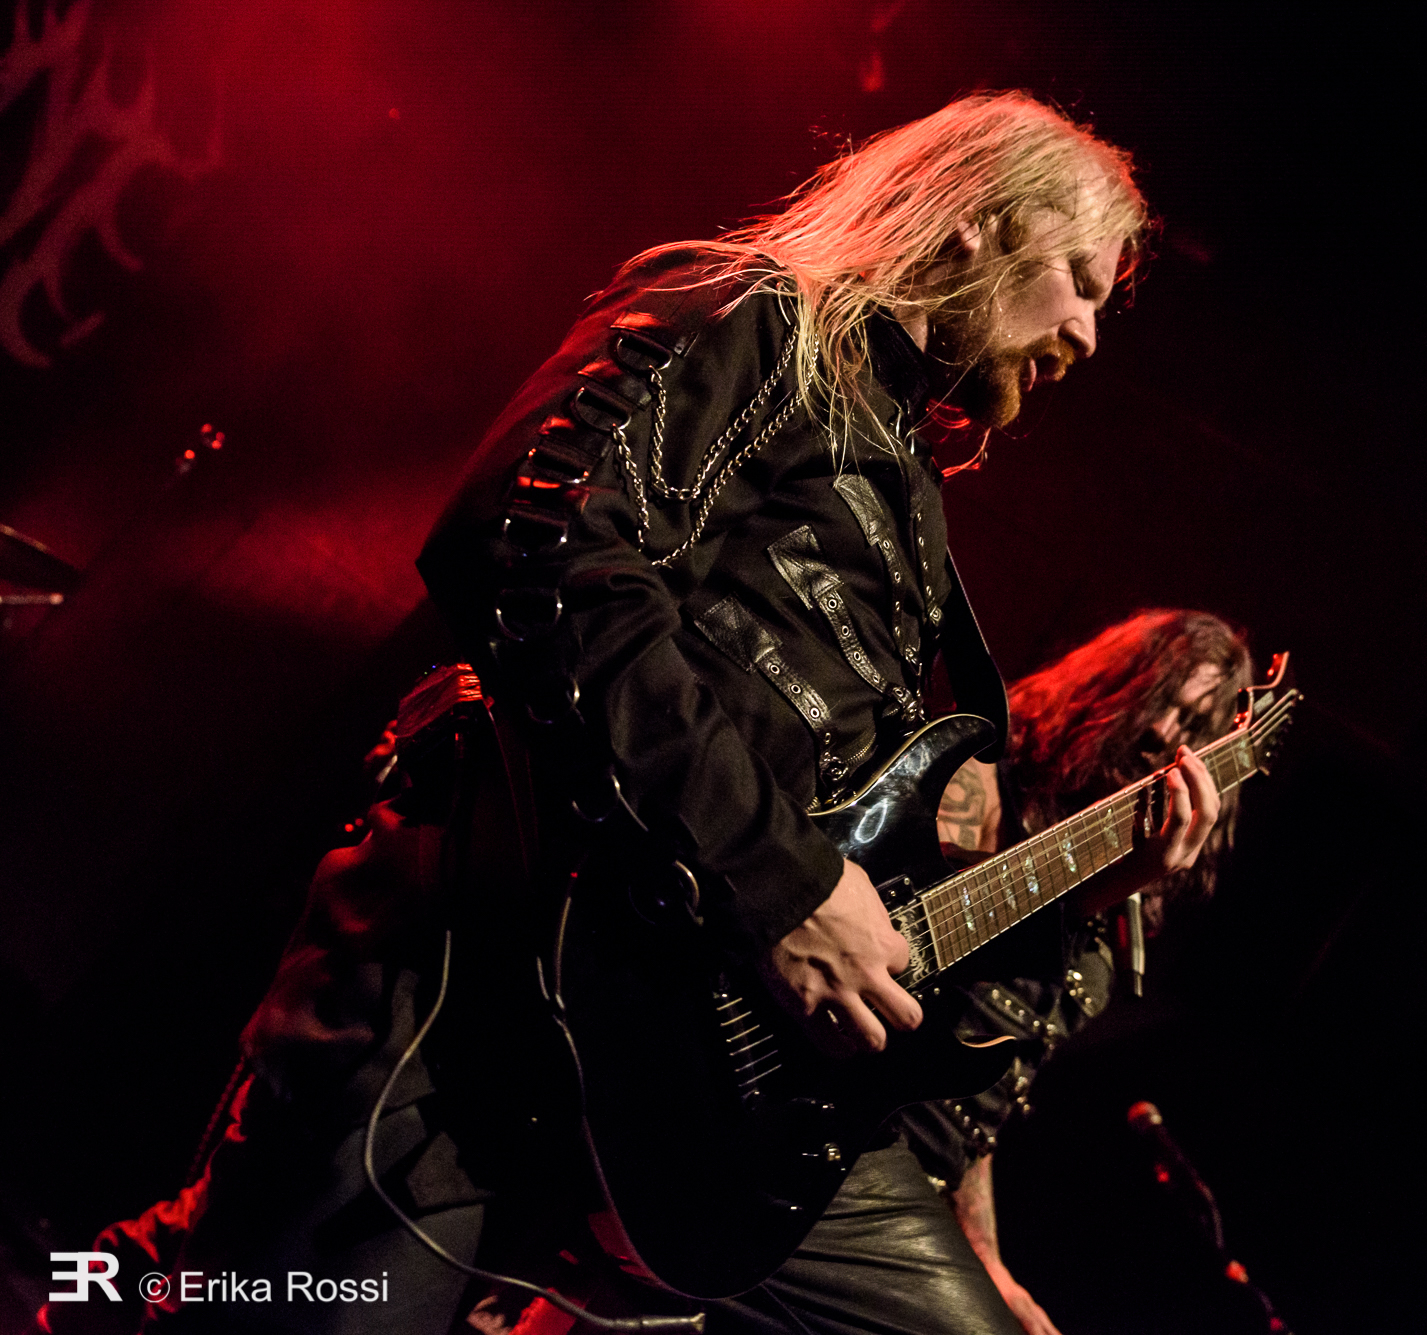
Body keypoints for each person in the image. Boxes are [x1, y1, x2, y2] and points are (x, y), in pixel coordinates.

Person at [43, 93, 1219, 1335]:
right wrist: (783, 886)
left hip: (691, 1045)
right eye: (1081, 280)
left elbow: (844, 827)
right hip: (486, 978)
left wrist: (1073, 899)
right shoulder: (756, 314)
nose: (1087, 331)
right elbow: (534, 544)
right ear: (978, 219)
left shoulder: (899, 472)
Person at [904, 609, 1253, 1335]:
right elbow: (921, 956)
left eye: (1195, 726)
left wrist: (991, 1263)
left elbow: (979, 1100)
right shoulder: (987, 781)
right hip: (850, 1143)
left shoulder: (1129, 909)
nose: (1165, 735)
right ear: (1110, 688)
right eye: (1161, 701)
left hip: (923, 1187)